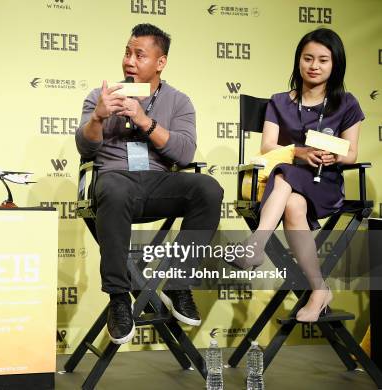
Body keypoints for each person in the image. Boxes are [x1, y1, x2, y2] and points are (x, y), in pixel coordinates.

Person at [75, 23, 223, 344]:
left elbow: (184, 154)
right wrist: (98, 117)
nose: (129, 61)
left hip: (158, 185)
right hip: (114, 182)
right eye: (127, 53)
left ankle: (179, 283)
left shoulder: (179, 101)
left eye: (139, 55)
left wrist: (145, 121)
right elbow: (85, 149)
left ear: (160, 62)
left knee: (208, 189)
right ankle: (118, 298)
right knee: (112, 187)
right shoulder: (100, 96)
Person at [228, 28, 363, 322]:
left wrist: (333, 156)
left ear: (334, 64)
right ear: (298, 61)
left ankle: (256, 246)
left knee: (284, 175)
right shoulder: (279, 101)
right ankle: (319, 290)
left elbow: (351, 153)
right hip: (286, 185)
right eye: (308, 58)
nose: (314, 66)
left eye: (323, 60)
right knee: (290, 193)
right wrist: (299, 152)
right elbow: (267, 147)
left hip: (324, 182)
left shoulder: (347, 103)